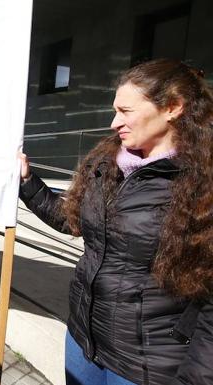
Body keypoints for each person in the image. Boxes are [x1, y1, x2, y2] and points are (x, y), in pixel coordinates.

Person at [19, 58, 213, 385]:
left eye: (126, 111)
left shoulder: (202, 183)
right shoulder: (106, 163)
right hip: (83, 343)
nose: (114, 122)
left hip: (147, 366)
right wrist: (27, 182)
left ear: (173, 107)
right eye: (115, 110)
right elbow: (73, 221)